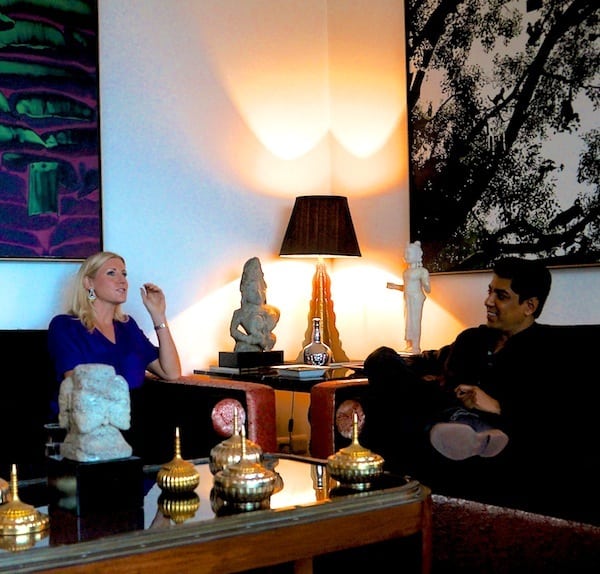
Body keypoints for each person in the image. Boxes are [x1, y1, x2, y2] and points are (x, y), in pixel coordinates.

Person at [365, 257, 554, 477]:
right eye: (490, 292)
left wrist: (497, 406)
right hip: (436, 404)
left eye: (501, 296)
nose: (488, 301)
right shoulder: (472, 338)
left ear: (529, 306)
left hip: (483, 420)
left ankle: (467, 427)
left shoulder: (545, 351)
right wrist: (410, 376)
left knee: (405, 412)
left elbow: (551, 413)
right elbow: (427, 360)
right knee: (381, 358)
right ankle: (461, 423)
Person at [48, 251, 181, 456]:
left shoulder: (127, 326)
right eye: (112, 273)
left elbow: (171, 372)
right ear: (88, 283)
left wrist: (158, 315)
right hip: (91, 429)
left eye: (124, 274)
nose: (122, 281)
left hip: (138, 427)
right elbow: (79, 386)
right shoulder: (65, 326)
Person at [230, 257, 280, 352]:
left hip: (265, 341)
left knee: (271, 338)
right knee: (242, 347)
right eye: (253, 290)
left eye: (262, 289)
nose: (258, 294)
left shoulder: (272, 311)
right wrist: (248, 339)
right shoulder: (240, 313)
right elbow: (233, 331)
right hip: (249, 342)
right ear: (245, 292)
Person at [402, 241, 430, 353]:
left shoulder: (422, 271)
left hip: (416, 298)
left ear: (417, 255)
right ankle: (408, 344)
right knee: (408, 322)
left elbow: (427, 288)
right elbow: (406, 287)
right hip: (407, 298)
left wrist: (426, 283)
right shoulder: (405, 272)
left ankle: (415, 345)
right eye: (405, 253)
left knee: (415, 321)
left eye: (408, 253)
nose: (406, 256)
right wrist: (394, 287)